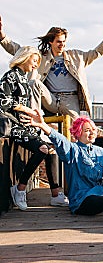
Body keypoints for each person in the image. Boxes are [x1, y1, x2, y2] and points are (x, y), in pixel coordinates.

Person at [0, 15, 103, 119]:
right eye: (59, 42)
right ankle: (33, 119)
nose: (62, 45)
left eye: (64, 41)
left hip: (70, 100)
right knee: (34, 83)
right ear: (51, 41)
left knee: (77, 129)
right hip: (51, 98)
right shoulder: (41, 57)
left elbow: (96, 53)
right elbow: (18, 50)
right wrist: (2, 37)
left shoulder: (76, 56)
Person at [1, 46, 66, 210]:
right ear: (25, 57)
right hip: (12, 125)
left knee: (50, 149)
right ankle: (20, 189)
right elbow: (3, 102)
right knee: (42, 149)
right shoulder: (10, 76)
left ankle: (56, 195)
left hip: (25, 124)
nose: (36, 64)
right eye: (34, 60)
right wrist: (27, 110)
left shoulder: (24, 78)